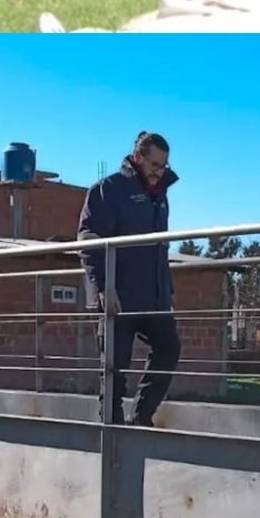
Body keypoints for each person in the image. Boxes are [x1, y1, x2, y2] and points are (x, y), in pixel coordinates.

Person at [77, 132, 182, 427]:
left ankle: (141, 417)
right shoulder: (108, 189)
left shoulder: (160, 197)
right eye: (154, 164)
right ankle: (110, 430)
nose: (159, 172)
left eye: (164, 166)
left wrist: (167, 291)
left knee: (169, 347)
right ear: (137, 158)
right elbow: (88, 240)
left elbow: (160, 248)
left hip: (154, 296)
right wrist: (102, 287)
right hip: (118, 295)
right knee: (114, 366)